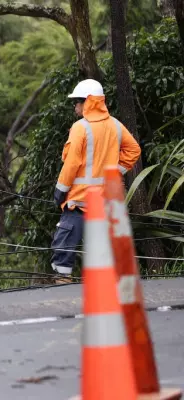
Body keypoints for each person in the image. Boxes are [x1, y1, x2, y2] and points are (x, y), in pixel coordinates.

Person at [51, 79, 141, 280]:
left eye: (77, 101)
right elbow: (134, 150)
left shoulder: (80, 128)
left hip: (80, 201)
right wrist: (114, 173)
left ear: (88, 102)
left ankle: (61, 283)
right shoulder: (116, 125)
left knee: (64, 247)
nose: (75, 106)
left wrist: (60, 190)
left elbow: (72, 163)